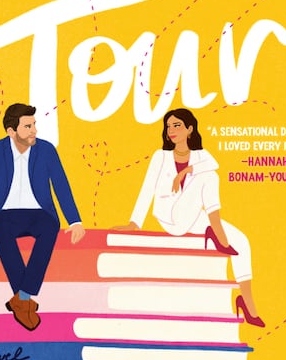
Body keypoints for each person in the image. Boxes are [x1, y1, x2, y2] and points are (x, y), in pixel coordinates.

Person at [113, 108, 264, 326]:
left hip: (194, 215)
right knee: (209, 178)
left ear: (189, 129)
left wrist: (186, 171)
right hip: (170, 216)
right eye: (168, 126)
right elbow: (147, 188)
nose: (171, 130)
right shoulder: (161, 156)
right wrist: (134, 222)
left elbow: (214, 164)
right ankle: (217, 233)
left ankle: (248, 303)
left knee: (241, 241)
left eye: (177, 126)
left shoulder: (201, 156)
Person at [0, 103, 85, 331]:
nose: (34, 131)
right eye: (28, 126)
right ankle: (25, 299)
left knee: (51, 228)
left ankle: (21, 298)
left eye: (34, 125)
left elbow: (61, 185)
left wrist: (75, 221)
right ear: (11, 131)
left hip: (40, 212)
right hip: (5, 214)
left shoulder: (47, 150)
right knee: (0, 230)